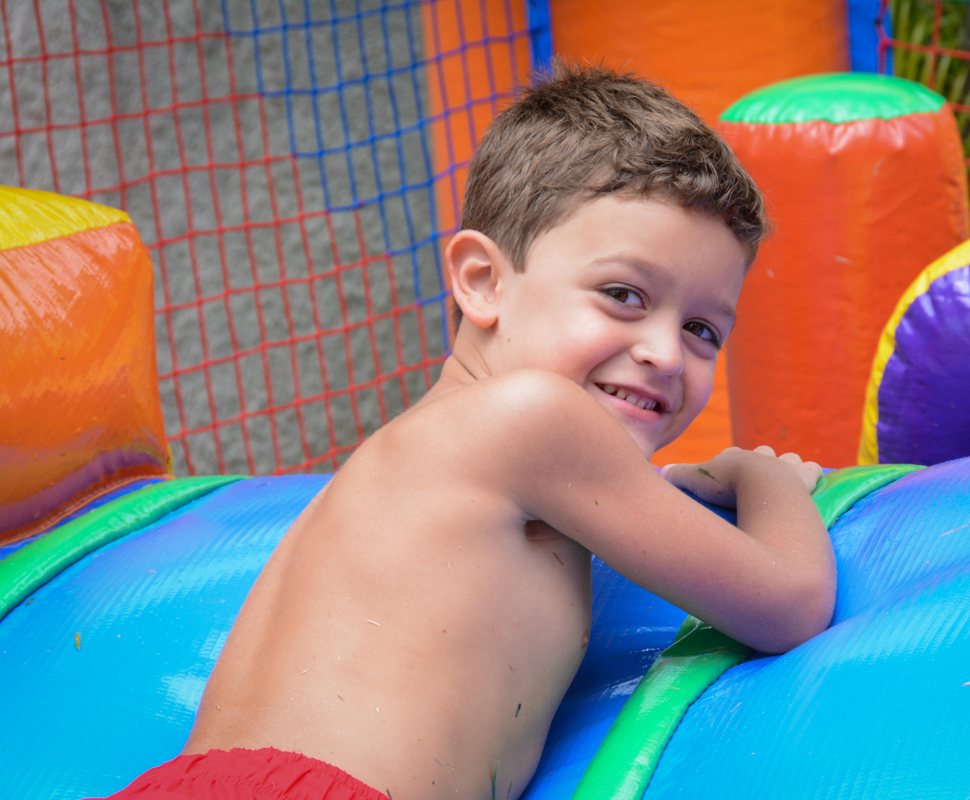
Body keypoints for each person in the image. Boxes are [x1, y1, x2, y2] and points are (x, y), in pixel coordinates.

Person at [98, 64, 835, 800]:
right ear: (482, 281)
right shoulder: (535, 418)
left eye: (703, 329)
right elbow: (791, 603)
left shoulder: (419, 454)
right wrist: (765, 477)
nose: (665, 352)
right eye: (623, 295)